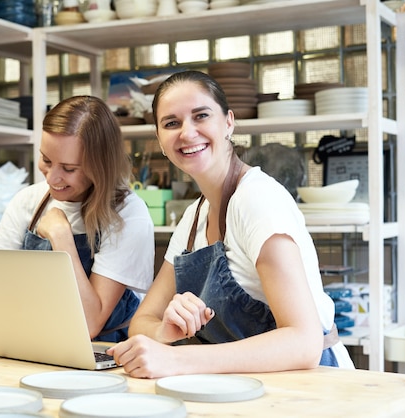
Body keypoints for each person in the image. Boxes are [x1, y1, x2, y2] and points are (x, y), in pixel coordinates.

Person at [107, 70, 354, 377]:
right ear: (159, 138)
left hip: (310, 385)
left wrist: (177, 360)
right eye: (171, 123)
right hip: (244, 386)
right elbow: (143, 321)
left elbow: (304, 342)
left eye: (201, 116)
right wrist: (163, 333)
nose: (187, 132)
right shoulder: (194, 215)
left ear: (228, 122)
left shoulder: (257, 199)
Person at [0, 95, 155, 343]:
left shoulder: (128, 214)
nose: (51, 179)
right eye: (46, 160)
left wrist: (62, 240)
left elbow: (89, 323)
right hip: (35, 342)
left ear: (100, 165)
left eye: (69, 169)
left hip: (108, 353)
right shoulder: (28, 201)